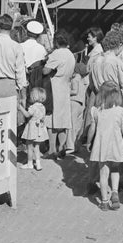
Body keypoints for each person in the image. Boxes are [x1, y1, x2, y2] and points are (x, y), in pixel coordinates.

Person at [86, 82, 123, 211]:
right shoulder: (120, 111)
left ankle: (104, 201)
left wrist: (89, 142)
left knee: (103, 172)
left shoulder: (96, 110)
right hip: (116, 144)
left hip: (102, 145)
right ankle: (115, 192)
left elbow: (92, 129)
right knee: (116, 168)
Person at [42, 31, 76, 159]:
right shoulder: (70, 55)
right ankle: (61, 146)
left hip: (54, 88)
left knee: (51, 121)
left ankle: (51, 149)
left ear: (56, 41)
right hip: (65, 88)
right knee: (63, 121)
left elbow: (46, 70)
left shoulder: (56, 54)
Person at [18, 87, 49, 171]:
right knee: (37, 147)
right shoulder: (43, 107)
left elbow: (27, 115)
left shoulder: (33, 107)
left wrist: (20, 108)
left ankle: (30, 163)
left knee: (29, 146)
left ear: (34, 97)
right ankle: (38, 164)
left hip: (32, 128)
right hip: (39, 128)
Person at [65, 62, 86, 154]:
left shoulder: (74, 80)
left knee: (71, 125)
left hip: (73, 102)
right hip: (81, 104)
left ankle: (70, 146)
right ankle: (76, 145)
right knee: (77, 125)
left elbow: (75, 91)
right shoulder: (82, 80)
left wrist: (65, 91)